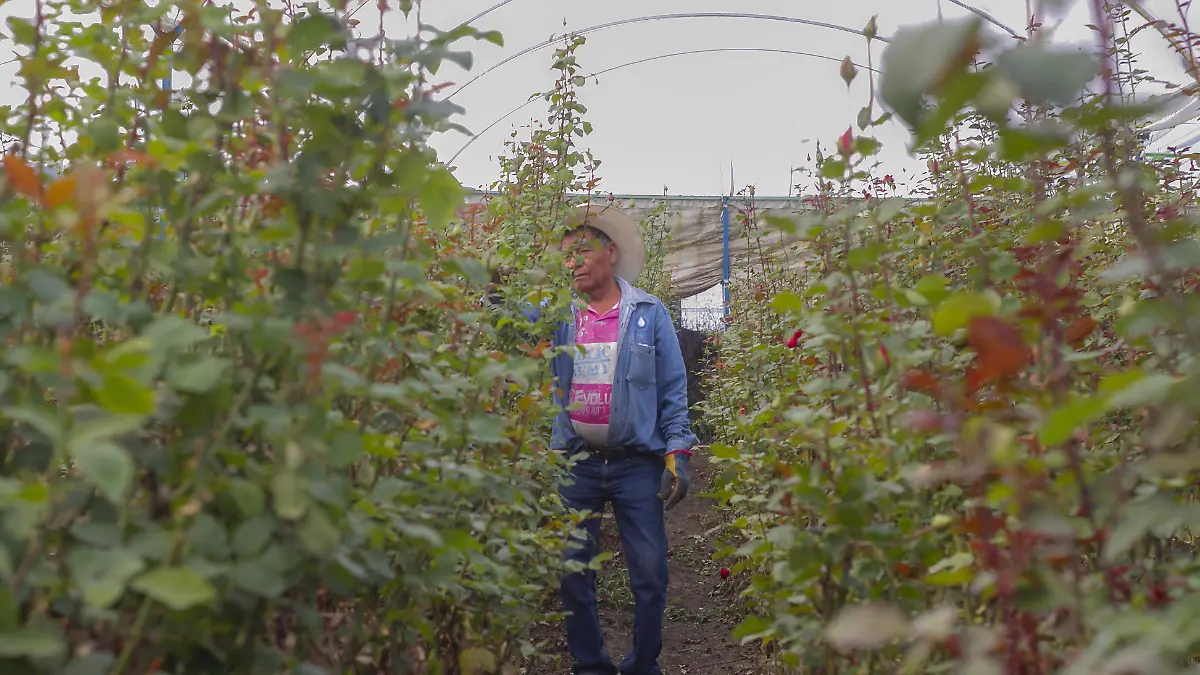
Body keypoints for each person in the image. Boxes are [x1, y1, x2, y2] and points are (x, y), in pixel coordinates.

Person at [549, 202, 698, 675]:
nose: (572, 263)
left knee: (650, 573)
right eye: (566, 255)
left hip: (636, 464)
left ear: (610, 253)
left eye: (582, 251)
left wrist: (677, 448)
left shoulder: (648, 313)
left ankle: (642, 665)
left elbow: (673, 385)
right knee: (573, 570)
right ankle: (590, 665)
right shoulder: (563, 317)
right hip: (579, 462)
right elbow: (549, 381)